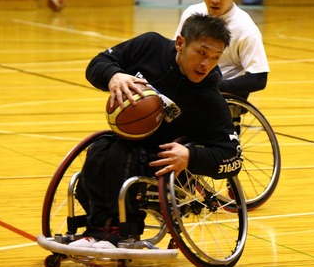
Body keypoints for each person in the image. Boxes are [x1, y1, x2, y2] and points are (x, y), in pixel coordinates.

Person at [70, 13, 243, 249]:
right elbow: (97, 63)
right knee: (100, 149)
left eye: (215, 57)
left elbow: (232, 157)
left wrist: (191, 156)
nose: (206, 64)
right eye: (201, 53)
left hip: (165, 161)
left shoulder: (209, 99)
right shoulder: (149, 46)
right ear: (180, 43)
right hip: (127, 140)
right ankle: (97, 229)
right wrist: (114, 75)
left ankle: (118, 232)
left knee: (121, 156)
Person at [174, 0, 269, 100]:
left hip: (218, 94)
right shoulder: (191, 13)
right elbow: (174, 50)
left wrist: (215, 87)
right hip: (185, 86)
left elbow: (258, 78)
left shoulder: (246, 28)